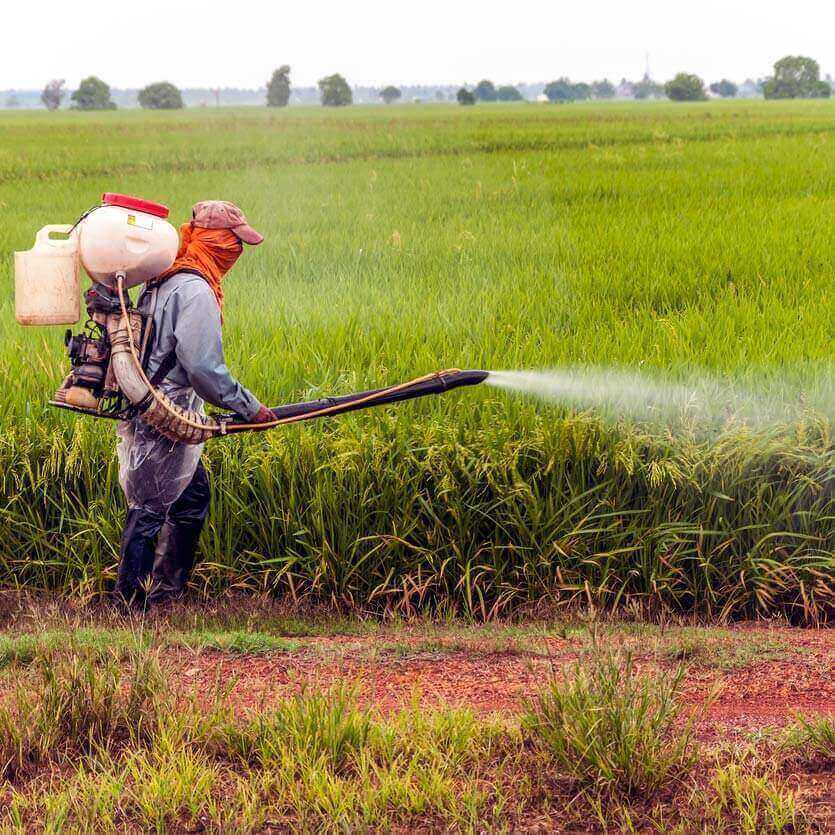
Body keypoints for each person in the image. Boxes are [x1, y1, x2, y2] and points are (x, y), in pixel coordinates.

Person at [115, 200, 274, 608]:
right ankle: (129, 605)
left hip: (158, 408)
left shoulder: (165, 278)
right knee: (150, 509)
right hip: (164, 417)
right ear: (215, 240)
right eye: (233, 243)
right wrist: (249, 408)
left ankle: (166, 595)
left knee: (190, 497)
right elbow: (204, 370)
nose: (236, 252)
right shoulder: (195, 289)